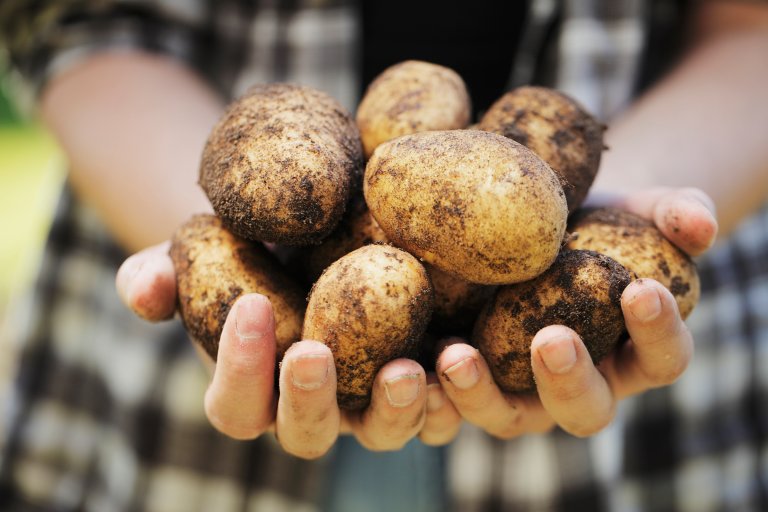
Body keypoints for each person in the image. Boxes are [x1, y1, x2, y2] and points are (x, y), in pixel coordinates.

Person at [0, 0, 764, 510]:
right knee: (357, 257)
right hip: (174, 434)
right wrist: (198, 223)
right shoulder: (341, 187)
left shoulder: (493, 195)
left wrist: (620, 203)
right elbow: (77, 19)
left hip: (643, 451)